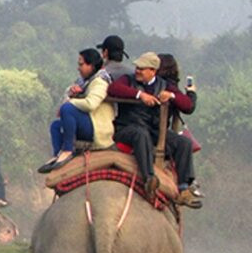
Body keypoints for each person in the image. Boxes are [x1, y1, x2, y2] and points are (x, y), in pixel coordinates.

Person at [106, 52, 200, 207]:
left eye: (142, 69)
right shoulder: (128, 80)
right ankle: (149, 178)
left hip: (153, 130)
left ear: (153, 71)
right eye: (137, 67)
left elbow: (187, 106)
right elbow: (113, 89)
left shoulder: (164, 85)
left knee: (184, 143)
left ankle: (184, 189)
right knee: (140, 134)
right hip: (128, 128)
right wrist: (140, 95)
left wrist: (171, 95)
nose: (137, 71)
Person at [38, 48, 114, 173]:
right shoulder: (85, 82)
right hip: (88, 122)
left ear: (91, 65)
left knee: (68, 108)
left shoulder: (99, 82)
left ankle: (68, 150)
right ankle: (58, 155)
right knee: (56, 126)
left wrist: (71, 102)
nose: (78, 68)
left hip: (97, 127)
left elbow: (91, 104)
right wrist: (74, 95)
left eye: (81, 64)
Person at [158, 52, 202, 198]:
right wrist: (191, 93)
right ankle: (184, 187)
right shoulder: (167, 86)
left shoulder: (146, 82)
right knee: (184, 143)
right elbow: (188, 106)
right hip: (156, 131)